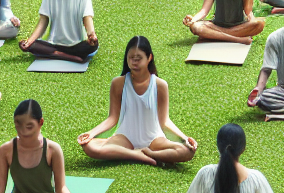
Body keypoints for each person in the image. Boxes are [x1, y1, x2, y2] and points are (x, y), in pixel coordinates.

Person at [79, 36, 197, 166]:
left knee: (187, 151)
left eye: (139, 59)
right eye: (131, 58)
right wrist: (91, 133)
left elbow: (164, 121)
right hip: (125, 139)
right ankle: (137, 154)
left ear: (149, 58)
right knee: (89, 146)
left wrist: (185, 138)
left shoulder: (160, 85)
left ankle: (149, 154)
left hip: (154, 140)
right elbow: (112, 118)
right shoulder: (118, 83)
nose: (134, 63)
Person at [19, 0, 99, 63]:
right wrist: (30, 41)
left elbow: (87, 18)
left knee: (93, 45)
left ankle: (56, 54)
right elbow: (43, 21)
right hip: (53, 43)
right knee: (27, 44)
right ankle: (65, 56)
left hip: (76, 44)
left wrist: (91, 34)